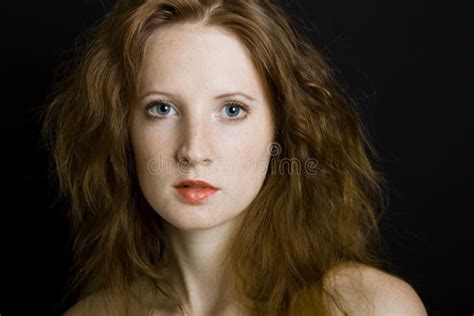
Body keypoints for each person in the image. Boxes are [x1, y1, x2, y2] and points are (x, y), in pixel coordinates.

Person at [41, 0, 428, 315]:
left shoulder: (370, 308)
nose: (194, 151)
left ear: (283, 129)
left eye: (231, 111)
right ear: (123, 130)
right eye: (161, 109)